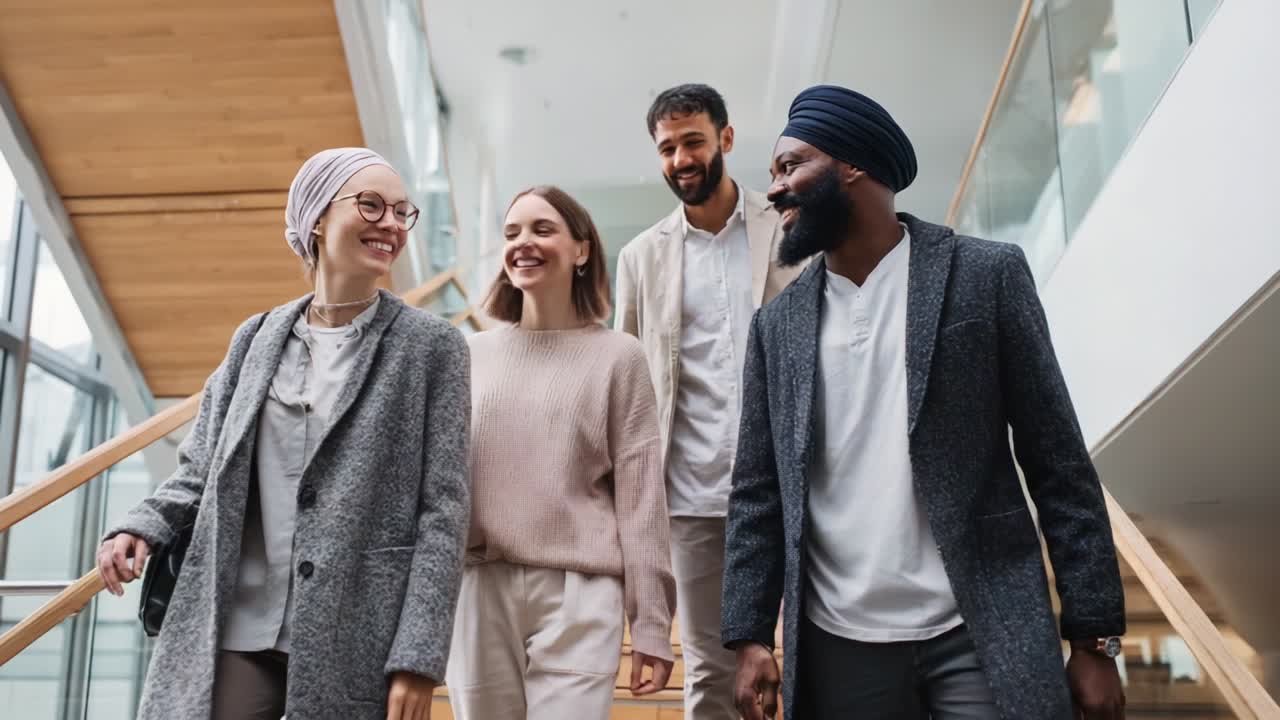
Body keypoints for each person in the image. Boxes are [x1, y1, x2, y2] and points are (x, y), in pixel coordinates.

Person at [721, 86, 1128, 720]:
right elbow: (757, 492)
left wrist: (1094, 640)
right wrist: (748, 637)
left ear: (853, 165)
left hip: (979, 628)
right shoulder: (775, 327)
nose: (773, 189)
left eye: (790, 165)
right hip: (838, 643)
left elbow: (1059, 462)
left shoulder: (985, 276)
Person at [96, 147, 471, 720]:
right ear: (317, 218)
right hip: (237, 621)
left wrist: (418, 656)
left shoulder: (433, 347)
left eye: (401, 212)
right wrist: (141, 525)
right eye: (370, 206)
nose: (391, 225)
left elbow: (442, 513)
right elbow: (201, 466)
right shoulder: (256, 338)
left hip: (356, 629)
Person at [446, 186, 676, 719]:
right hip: (480, 587)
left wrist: (651, 625)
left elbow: (642, 502)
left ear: (582, 249)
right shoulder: (467, 354)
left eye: (542, 229)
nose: (523, 243)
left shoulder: (621, 357)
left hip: (581, 595)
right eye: (511, 233)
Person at [613, 83, 802, 720]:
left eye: (692, 141)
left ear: (724, 138)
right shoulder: (640, 258)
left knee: (813, 659)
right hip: (691, 500)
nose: (680, 159)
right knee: (711, 677)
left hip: (794, 484)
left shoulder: (788, 228)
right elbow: (628, 384)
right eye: (667, 148)